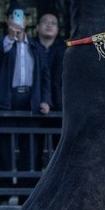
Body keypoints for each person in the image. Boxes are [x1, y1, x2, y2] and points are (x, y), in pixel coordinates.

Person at [0, 7, 52, 205]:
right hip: (7, 100)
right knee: (4, 149)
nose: (17, 22)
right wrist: (10, 38)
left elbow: (44, 77)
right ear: (8, 21)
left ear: (26, 21)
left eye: (21, 18)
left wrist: (45, 100)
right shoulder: (2, 43)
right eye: (13, 18)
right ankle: (3, 194)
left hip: (30, 100)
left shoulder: (35, 47)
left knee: (30, 149)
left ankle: (27, 195)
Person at [32, 10, 68, 170]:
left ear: (58, 30)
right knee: (34, 145)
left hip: (60, 104)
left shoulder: (65, 49)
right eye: (45, 22)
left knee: (59, 146)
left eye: (53, 23)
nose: (49, 25)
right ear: (37, 27)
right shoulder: (30, 46)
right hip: (37, 103)